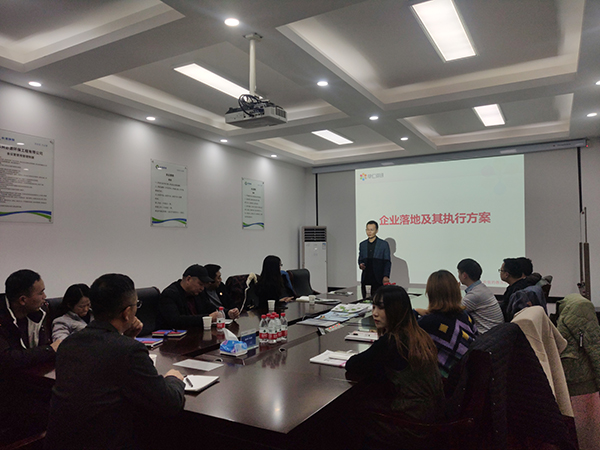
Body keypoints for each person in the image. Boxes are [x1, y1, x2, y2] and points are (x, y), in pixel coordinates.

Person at [45, 273, 185, 450]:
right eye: (136, 305)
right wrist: (174, 379)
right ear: (127, 313)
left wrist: (126, 337)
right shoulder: (129, 351)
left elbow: (103, 371)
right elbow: (169, 403)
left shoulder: (68, 344)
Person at [345, 285, 443, 425]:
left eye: (381, 308)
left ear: (396, 309)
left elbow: (352, 364)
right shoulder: (417, 333)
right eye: (373, 307)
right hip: (428, 414)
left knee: (348, 408)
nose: (375, 313)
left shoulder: (392, 341)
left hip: (410, 423)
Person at [416, 270, 477, 378]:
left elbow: (404, 336)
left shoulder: (428, 322)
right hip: (469, 375)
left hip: (444, 381)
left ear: (430, 293)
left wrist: (415, 311)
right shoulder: (465, 315)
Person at [0, 269, 60, 370]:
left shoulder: (41, 311)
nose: (45, 296)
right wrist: (49, 350)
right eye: (41, 293)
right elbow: (7, 359)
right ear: (23, 300)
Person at [157, 264, 214, 328]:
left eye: (203, 285)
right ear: (188, 279)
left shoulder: (198, 293)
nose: (202, 288)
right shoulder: (170, 294)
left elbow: (209, 308)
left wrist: (221, 313)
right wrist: (207, 318)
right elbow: (175, 321)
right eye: (200, 284)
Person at [457, 259, 503, 334]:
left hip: (486, 335)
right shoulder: (480, 288)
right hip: (494, 333)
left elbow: (455, 310)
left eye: (459, 273)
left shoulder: (475, 294)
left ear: (464, 275)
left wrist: (454, 291)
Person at [358, 220, 391, 299]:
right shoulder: (362, 244)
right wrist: (361, 264)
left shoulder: (383, 244)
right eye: (367, 229)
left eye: (371, 230)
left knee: (379, 299)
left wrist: (386, 276)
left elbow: (387, 261)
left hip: (378, 278)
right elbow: (360, 258)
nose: (369, 232)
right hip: (366, 278)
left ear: (376, 231)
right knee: (365, 299)